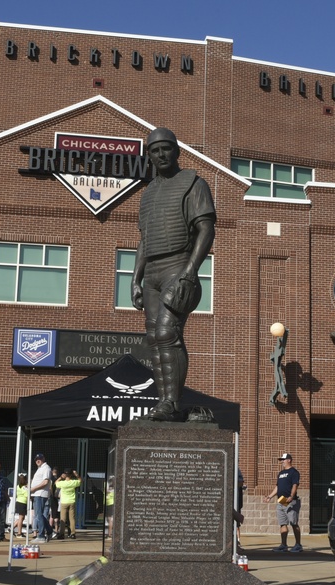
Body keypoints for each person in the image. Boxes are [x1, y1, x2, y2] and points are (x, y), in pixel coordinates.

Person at [131, 127, 216, 422]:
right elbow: (144, 240)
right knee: (154, 338)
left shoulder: (193, 183)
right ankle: (165, 403)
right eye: (154, 150)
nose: (160, 154)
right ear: (150, 156)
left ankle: (171, 402)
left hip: (178, 266)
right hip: (152, 270)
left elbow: (206, 229)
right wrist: (135, 279)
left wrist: (190, 272)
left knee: (168, 333)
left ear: (177, 151)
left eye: (166, 148)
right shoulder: (148, 193)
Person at [264, 453, 302, 553]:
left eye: (283, 459)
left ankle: (298, 545)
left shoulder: (294, 472)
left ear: (289, 460)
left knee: (293, 523)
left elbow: (295, 485)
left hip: (291, 500)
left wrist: (291, 496)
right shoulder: (281, 473)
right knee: (282, 523)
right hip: (281, 500)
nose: (282, 461)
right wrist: (269, 496)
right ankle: (283, 545)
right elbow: (278, 487)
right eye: (281, 460)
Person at [29, 453, 53, 542]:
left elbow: (45, 482)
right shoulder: (40, 469)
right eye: (36, 459)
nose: (37, 460)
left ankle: (41, 535)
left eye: (39, 459)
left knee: (39, 515)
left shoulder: (46, 468)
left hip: (40, 494)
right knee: (39, 515)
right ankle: (49, 531)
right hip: (37, 494)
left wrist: (33, 488)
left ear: (43, 459)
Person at [56, 469, 82, 539]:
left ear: (65, 475)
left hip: (64, 502)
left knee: (63, 519)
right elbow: (80, 480)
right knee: (72, 518)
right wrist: (76, 475)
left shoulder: (62, 483)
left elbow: (56, 483)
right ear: (71, 475)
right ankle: (73, 533)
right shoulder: (73, 482)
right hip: (71, 501)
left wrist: (61, 477)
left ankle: (61, 534)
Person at [12, 473, 28, 538]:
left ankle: (12, 527)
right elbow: (27, 495)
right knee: (21, 518)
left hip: (19, 501)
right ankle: (19, 533)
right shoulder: (24, 487)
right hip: (22, 502)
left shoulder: (17, 486)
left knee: (21, 517)